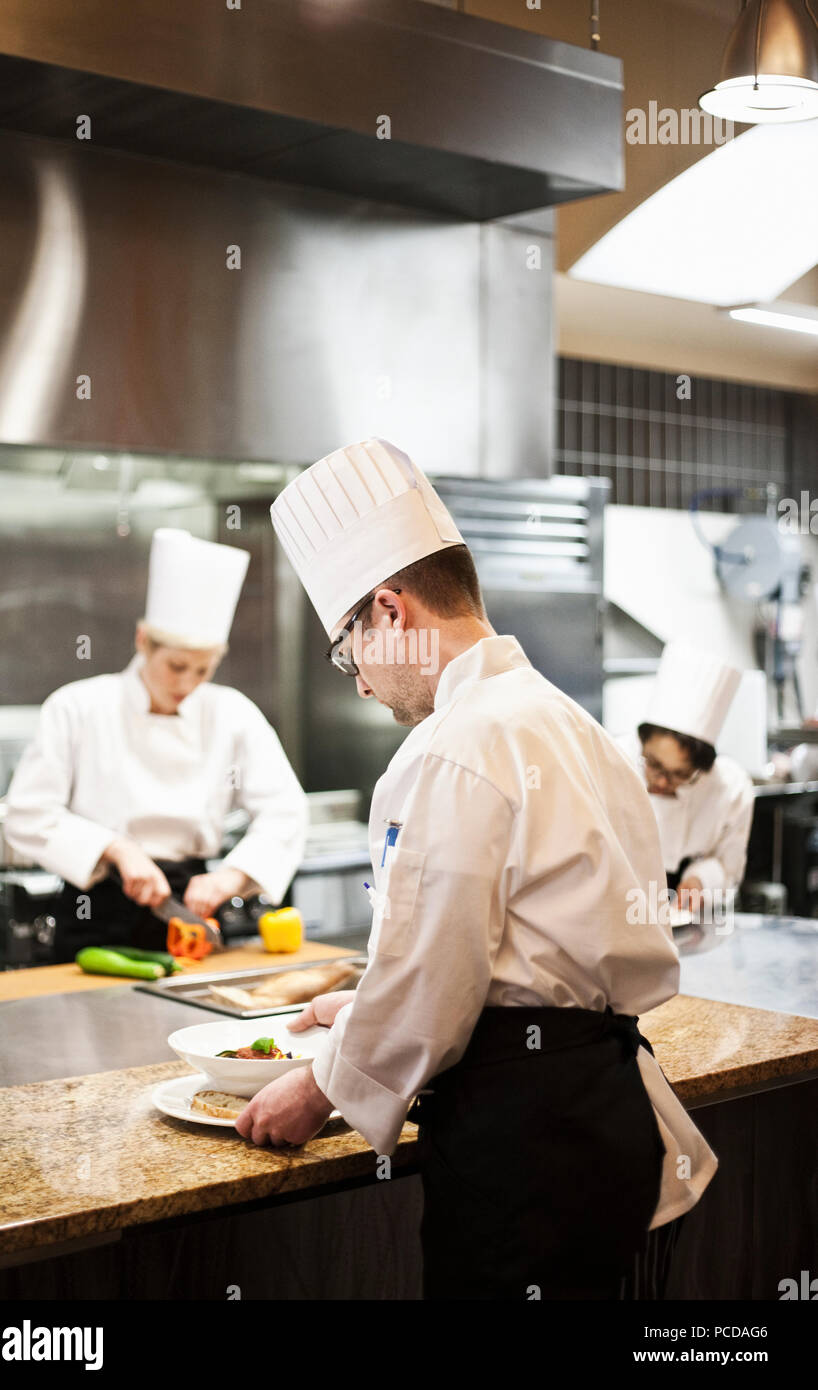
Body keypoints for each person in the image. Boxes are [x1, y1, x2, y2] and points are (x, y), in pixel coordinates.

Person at [235, 437, 718, 1301]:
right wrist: (370, 1001)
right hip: (597, 1117)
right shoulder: (571, 726)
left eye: (349, 652)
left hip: (524, 1140)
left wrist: (318, 1086)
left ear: (391, 611)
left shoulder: (456, 747)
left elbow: (435, 977)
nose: (359, 686)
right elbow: (523, 951)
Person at [4, 528, 308, 961]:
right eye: (177, 666)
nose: (187, 684)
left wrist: (231, 878)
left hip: (192, 907)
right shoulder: (78, 707)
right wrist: (117, 849)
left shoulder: (232, 713)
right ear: (143, 640)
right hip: (97, 905)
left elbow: (286, 811)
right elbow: (28, 814)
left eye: (203, 671)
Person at [618, 642, 755, 916]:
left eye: (680, 775)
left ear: (702, 769)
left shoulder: (731, 789)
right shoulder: (611, 760)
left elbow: (729, 865)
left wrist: (701, 881)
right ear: (641, 741)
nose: (662, 782)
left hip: (688, 920)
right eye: (654, 764)